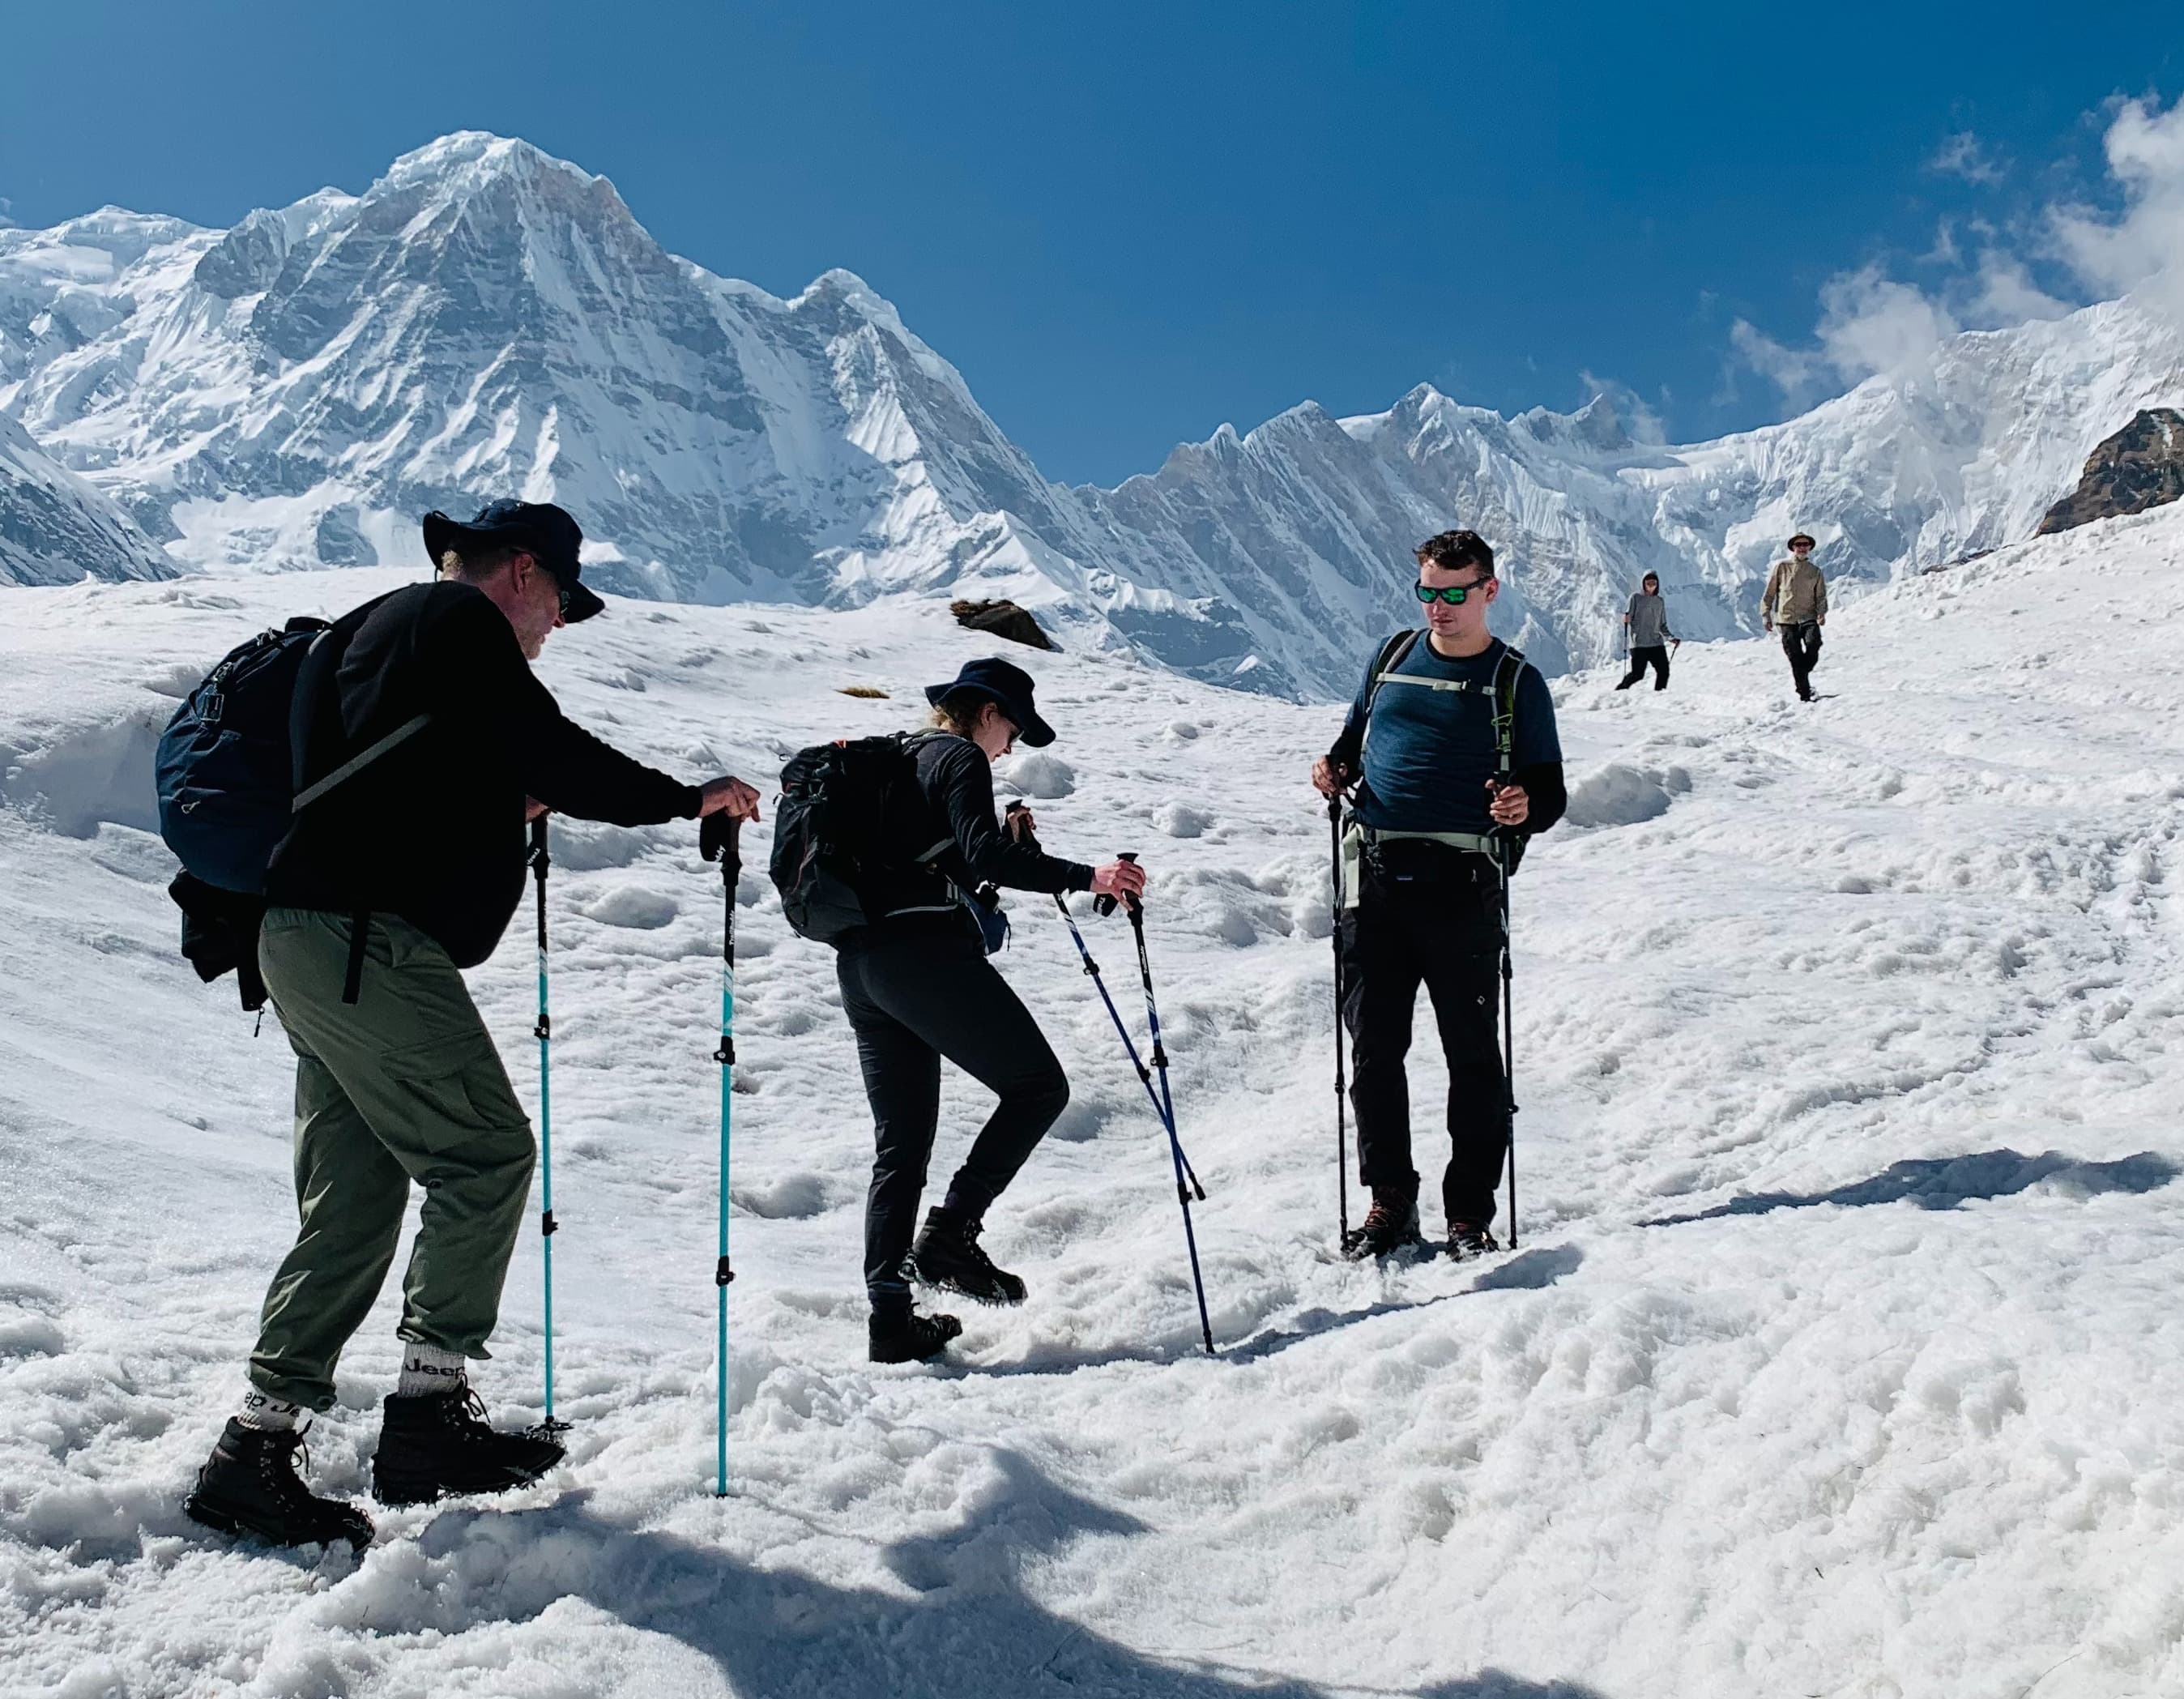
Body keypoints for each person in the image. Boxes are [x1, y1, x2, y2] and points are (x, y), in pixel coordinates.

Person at [183, 499, 760, 1551]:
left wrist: (501, 803)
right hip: (365, 947)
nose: (551, 633)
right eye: (558, 611)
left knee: (353, 1203)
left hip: (304, 941)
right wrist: (688, 799)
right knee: (486, 1155)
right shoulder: (455, 623)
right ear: (525, 572)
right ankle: (426, 1418)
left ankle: (250, 1457)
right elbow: (546, 745)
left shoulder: (370, 634)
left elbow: (394, 787)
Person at [835, 657, 1145, 1364]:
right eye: (1014, 731)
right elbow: (985, 858)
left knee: (901, 1143)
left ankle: (890, 1320)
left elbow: (953, 855)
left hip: (862, 964)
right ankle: (949, 1235)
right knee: (1040, 1087)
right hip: (923, 954)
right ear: (987, 713)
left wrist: (1000, 846)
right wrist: (1087, 875)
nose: (1011, 748)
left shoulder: (900, 754)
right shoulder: (961, 758)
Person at [1311, 530, 1566, 1259]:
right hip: (1377, 885)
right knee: (1373, 1055)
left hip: (1464, 888)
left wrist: (1523, 806)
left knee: (1473, 1059)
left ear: (1489, 590)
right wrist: (1330, 768)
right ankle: (1390, 1199)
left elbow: (1548, 792)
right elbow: (1352, 743)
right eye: (1428, 591)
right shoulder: (1391, 657)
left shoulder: (1516, 682)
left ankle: (1468, 1212)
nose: (1439, 607)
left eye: (1455, 592)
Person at [1761, 532, 1828, 702]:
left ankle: (1802, 673)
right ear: (1793, 548)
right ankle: (1805, 694)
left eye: (1805, 544)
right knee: (1794, 655)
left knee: (1814, 643)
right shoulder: (1782, 567)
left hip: (1808, 617)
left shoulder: (1815, 571)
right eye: (1799, 544)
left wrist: (1821, 613)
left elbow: (1820, 596)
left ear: (1810, 547)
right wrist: (1766, 614)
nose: (1802, 547)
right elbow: (1769, 593)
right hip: (1786, 619)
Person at [1616, 571, 1679, 691]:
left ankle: (1658, 695)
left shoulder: (1660, 601)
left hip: (1656, 643)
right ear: (1643, 583)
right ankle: (1620, 691)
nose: (1651, 585)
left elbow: (1662, 624)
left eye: (1654, 583)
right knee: (1638, 674)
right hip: (1639, 644)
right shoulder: (1635, 598)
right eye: (1648, 582)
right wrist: (1626, 619)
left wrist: (1671, 638)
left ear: (1657, 584)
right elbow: (1628, 616)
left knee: (1664, 671)